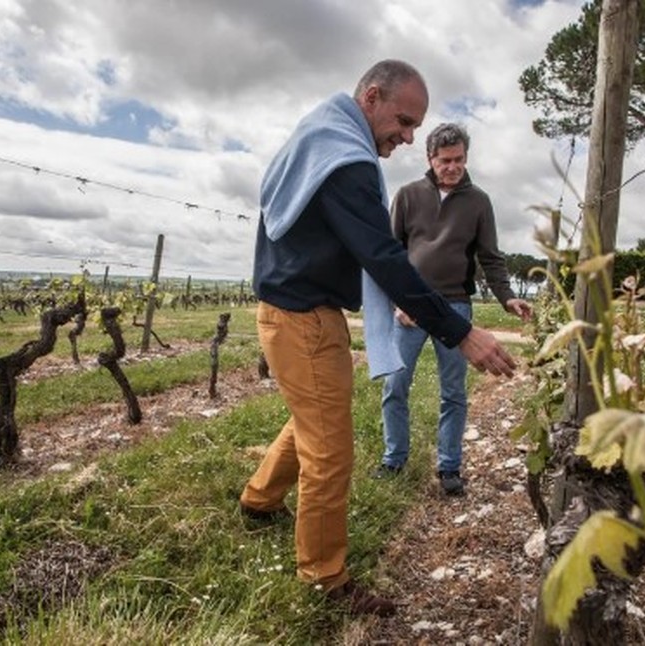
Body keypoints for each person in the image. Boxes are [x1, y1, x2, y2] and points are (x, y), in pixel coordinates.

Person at [238, 60, 516, 618]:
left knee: (316, 418)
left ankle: (258, 500)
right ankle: (325, 578)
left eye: (417, 128)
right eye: (405, 121)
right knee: (331, 451)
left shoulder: (324, 132)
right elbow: (386, 258)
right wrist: (461, 332)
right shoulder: (348, 163)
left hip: (298, 310)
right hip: (301, 317)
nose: (409, 136)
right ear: (371, 96)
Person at [374, 123, 532, 496]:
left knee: (454, 392)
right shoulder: (408, 195)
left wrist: (507, 296)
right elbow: (390, 252)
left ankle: (449, 468)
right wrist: (398, 301)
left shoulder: (479, 202)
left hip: (456, 307)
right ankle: (394, 459)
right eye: (445, 160)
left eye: (459, 159)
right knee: (395, 385)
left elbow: (491, 258)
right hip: (411, 309)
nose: (452, 166)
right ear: (431, 158)